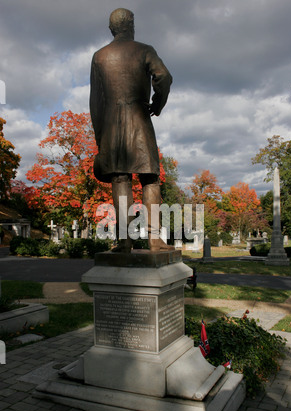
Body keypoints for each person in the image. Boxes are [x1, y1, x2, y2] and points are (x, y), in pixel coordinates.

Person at [90, 8, 174, 252]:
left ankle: (125, 240)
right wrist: (156, 105)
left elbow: (96, 102)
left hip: (112, 129)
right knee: (150, 178)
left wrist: (100, 138)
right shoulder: (145, 50)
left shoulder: (99, 56)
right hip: (140, 120)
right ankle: (155, 239)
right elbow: (164, 78)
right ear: (132, 25)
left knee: (120, 177)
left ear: (111, 29)